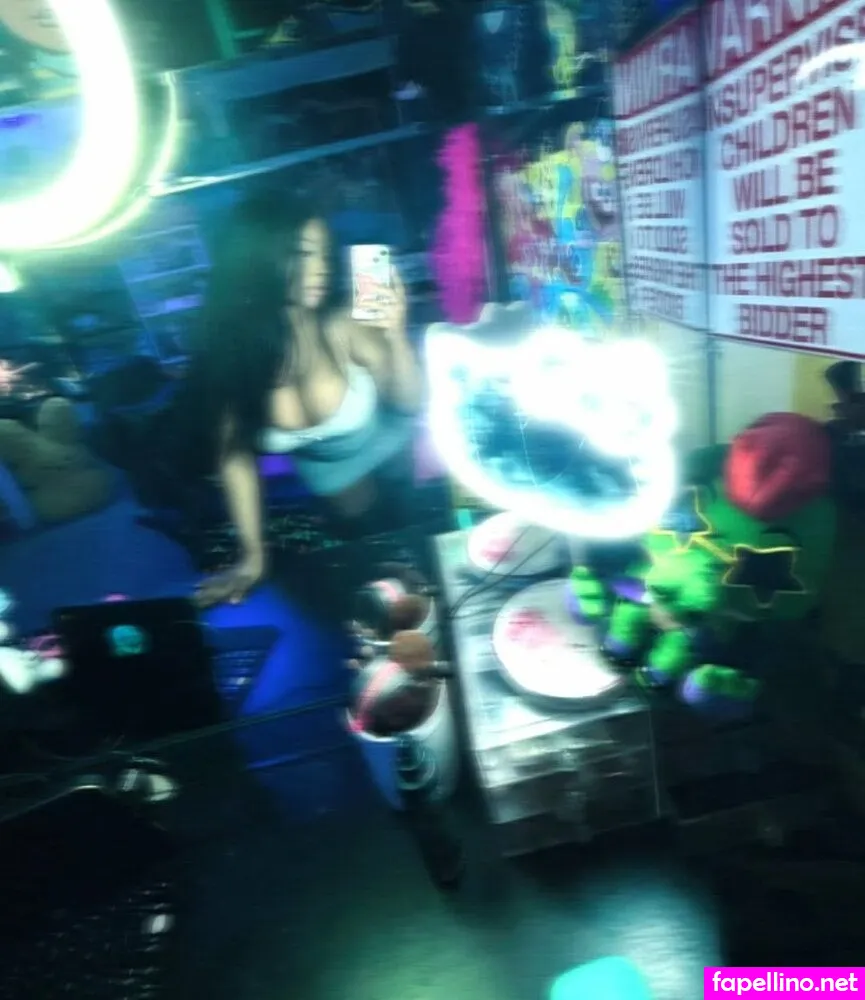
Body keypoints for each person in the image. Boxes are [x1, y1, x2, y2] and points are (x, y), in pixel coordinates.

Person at [190, 193, 424, 609]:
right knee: (380, 591)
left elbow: (409, 403)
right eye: (303, 253)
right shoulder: (231, 357)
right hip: (343, 496)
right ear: (257, 260)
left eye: (323, 253)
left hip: (410, 465)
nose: (322, 267)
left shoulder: (343, 325)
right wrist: (253, 557)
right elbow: (234, 457)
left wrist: (395, 337)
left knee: (429, 569)